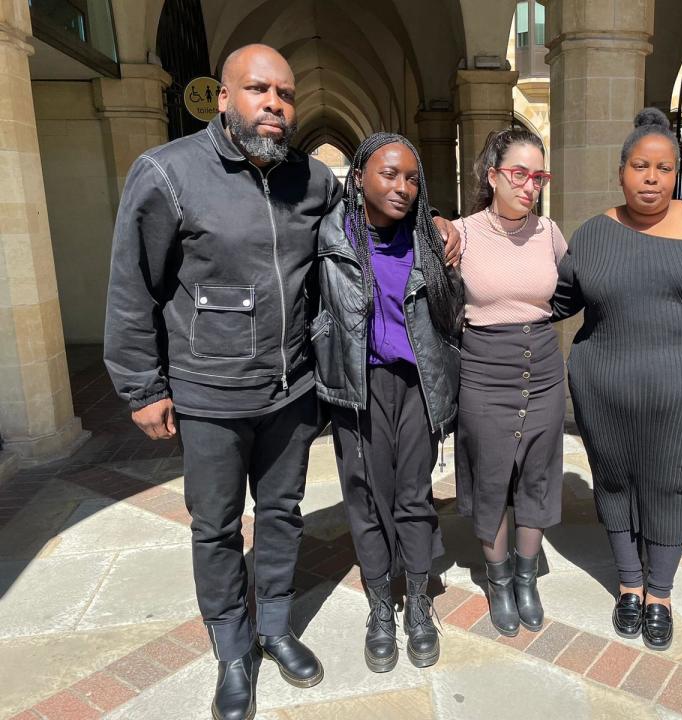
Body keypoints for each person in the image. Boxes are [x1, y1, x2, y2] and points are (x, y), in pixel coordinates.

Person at [103, 45, 460, 720]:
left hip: (292, 389)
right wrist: (140, 386)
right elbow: (131, 288)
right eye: (258, 90)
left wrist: (432, 222)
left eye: (286, 94)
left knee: (280, 514)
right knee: (213, 527)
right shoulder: (168, 174)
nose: (275, 104)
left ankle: (273, 626)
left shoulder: (311, 182)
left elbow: (376, 207)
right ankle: (233, 650)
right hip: (208, 390)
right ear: (226, 96)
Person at [552, 108, 682, 651]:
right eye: (641, 166)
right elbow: (560, 300)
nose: (651, 178)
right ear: (622, 171)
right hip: (603, 388)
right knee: (613, 479)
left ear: (676, 173)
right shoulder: (592, 234)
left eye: (663, 168)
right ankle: (629, 585)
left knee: (672, 482)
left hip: (681, 389)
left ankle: (660, 593)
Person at [312, 132, 463, 673]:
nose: (402, 186)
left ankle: (418, 602)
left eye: (412, 177)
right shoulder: (329, 235)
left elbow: (452, 314)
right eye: (389, 174)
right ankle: (380, 605)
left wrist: (444, 223)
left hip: (417, 384)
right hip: (359, 387)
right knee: (367, 499)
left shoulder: (428, 239)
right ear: (358, 178)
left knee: (414, 496)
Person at [452, 129, 566, 637]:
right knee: (490, 475)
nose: (530, 186)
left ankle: (526, 578)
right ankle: (498, 581)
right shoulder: (461, 233)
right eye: (519, 174)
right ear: (492, 175)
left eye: (538, 176)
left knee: (538, 473)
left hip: (542, 363)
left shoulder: (549, 232)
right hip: (483, 367)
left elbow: (571, 288)